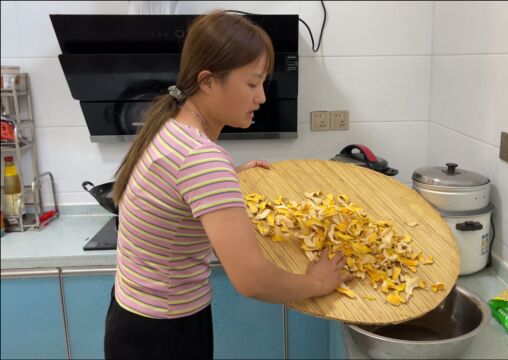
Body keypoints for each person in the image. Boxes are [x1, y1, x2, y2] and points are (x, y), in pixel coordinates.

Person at [104, 11, 353, 359]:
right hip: (165, 334)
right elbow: (252, 280)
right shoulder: (201, 158)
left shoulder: (169, 126)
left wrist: (228, 179)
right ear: (207, 81)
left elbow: (177, 189)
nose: (262, 97)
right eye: (252, 83)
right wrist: (317, 282)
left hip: (133, 318)